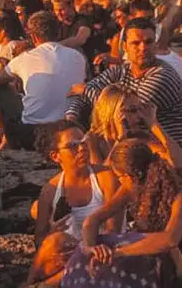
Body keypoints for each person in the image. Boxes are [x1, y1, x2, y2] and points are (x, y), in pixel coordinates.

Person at [66, 138, 182, 288]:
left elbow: (169, 240)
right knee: (83, 256)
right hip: (144, 258)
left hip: (178, 268)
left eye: (119, 177)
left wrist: (118, 253)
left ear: (129, 177)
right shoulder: (130, 188)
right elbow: (93, 220)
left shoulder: (181, 195)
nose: (119, 182)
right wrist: (90, 247)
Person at [68, 17, 182, 147]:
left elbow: (126, 113)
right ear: (125, 46)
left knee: (92, 144)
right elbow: (84, 94)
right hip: (138, 144)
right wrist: (71, 117)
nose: (143, 48)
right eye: (136, 43)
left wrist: (86, 90)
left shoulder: (163, 76)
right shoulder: (123, 70)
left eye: (148, 42)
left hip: (163, 150)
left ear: (155, 44)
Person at [29, 121, 120, 285]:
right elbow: (39, 240)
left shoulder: (105, 178)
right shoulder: (50, 191)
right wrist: (51, 233)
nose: (82, 148)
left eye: (84, 142)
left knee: (58, 242)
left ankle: (35, 284)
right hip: (68, 254)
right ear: (55, 156)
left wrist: (85, 247)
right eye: (73, 146)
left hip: (103, 251)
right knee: (55, 241)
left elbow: (113, 231)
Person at [0, 11, 86, 150]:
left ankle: (12, 142)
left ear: (33, 36)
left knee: (1, 90)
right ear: (58, 32)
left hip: (31, 133)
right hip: (71, 126)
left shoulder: (24, 58)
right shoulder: (77, 56)